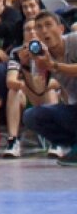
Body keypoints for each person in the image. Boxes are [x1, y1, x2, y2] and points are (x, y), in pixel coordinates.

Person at [22, 11, 77, 165]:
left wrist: (54, 66)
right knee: (31, 116)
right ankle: (73, 145)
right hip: (74, 109)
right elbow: (39, 95)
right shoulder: (39, 56)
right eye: (39, 27)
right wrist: (26, 67)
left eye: (48, 25)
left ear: (61, 29)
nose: (44, 30)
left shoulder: (74, 40)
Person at [3, 16, 58, 158]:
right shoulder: (17, 52)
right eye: (28, 29)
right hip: (28, 96)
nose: (32, 32)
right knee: (13, 91)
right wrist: (25, 65)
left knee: (50, 88)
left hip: (49, 97)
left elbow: (58, 82)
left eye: (36, 28)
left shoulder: (51, 50)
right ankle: (13, 141)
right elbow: (10, 81)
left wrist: (35, 84)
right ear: (23, 33)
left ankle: (57, 141)